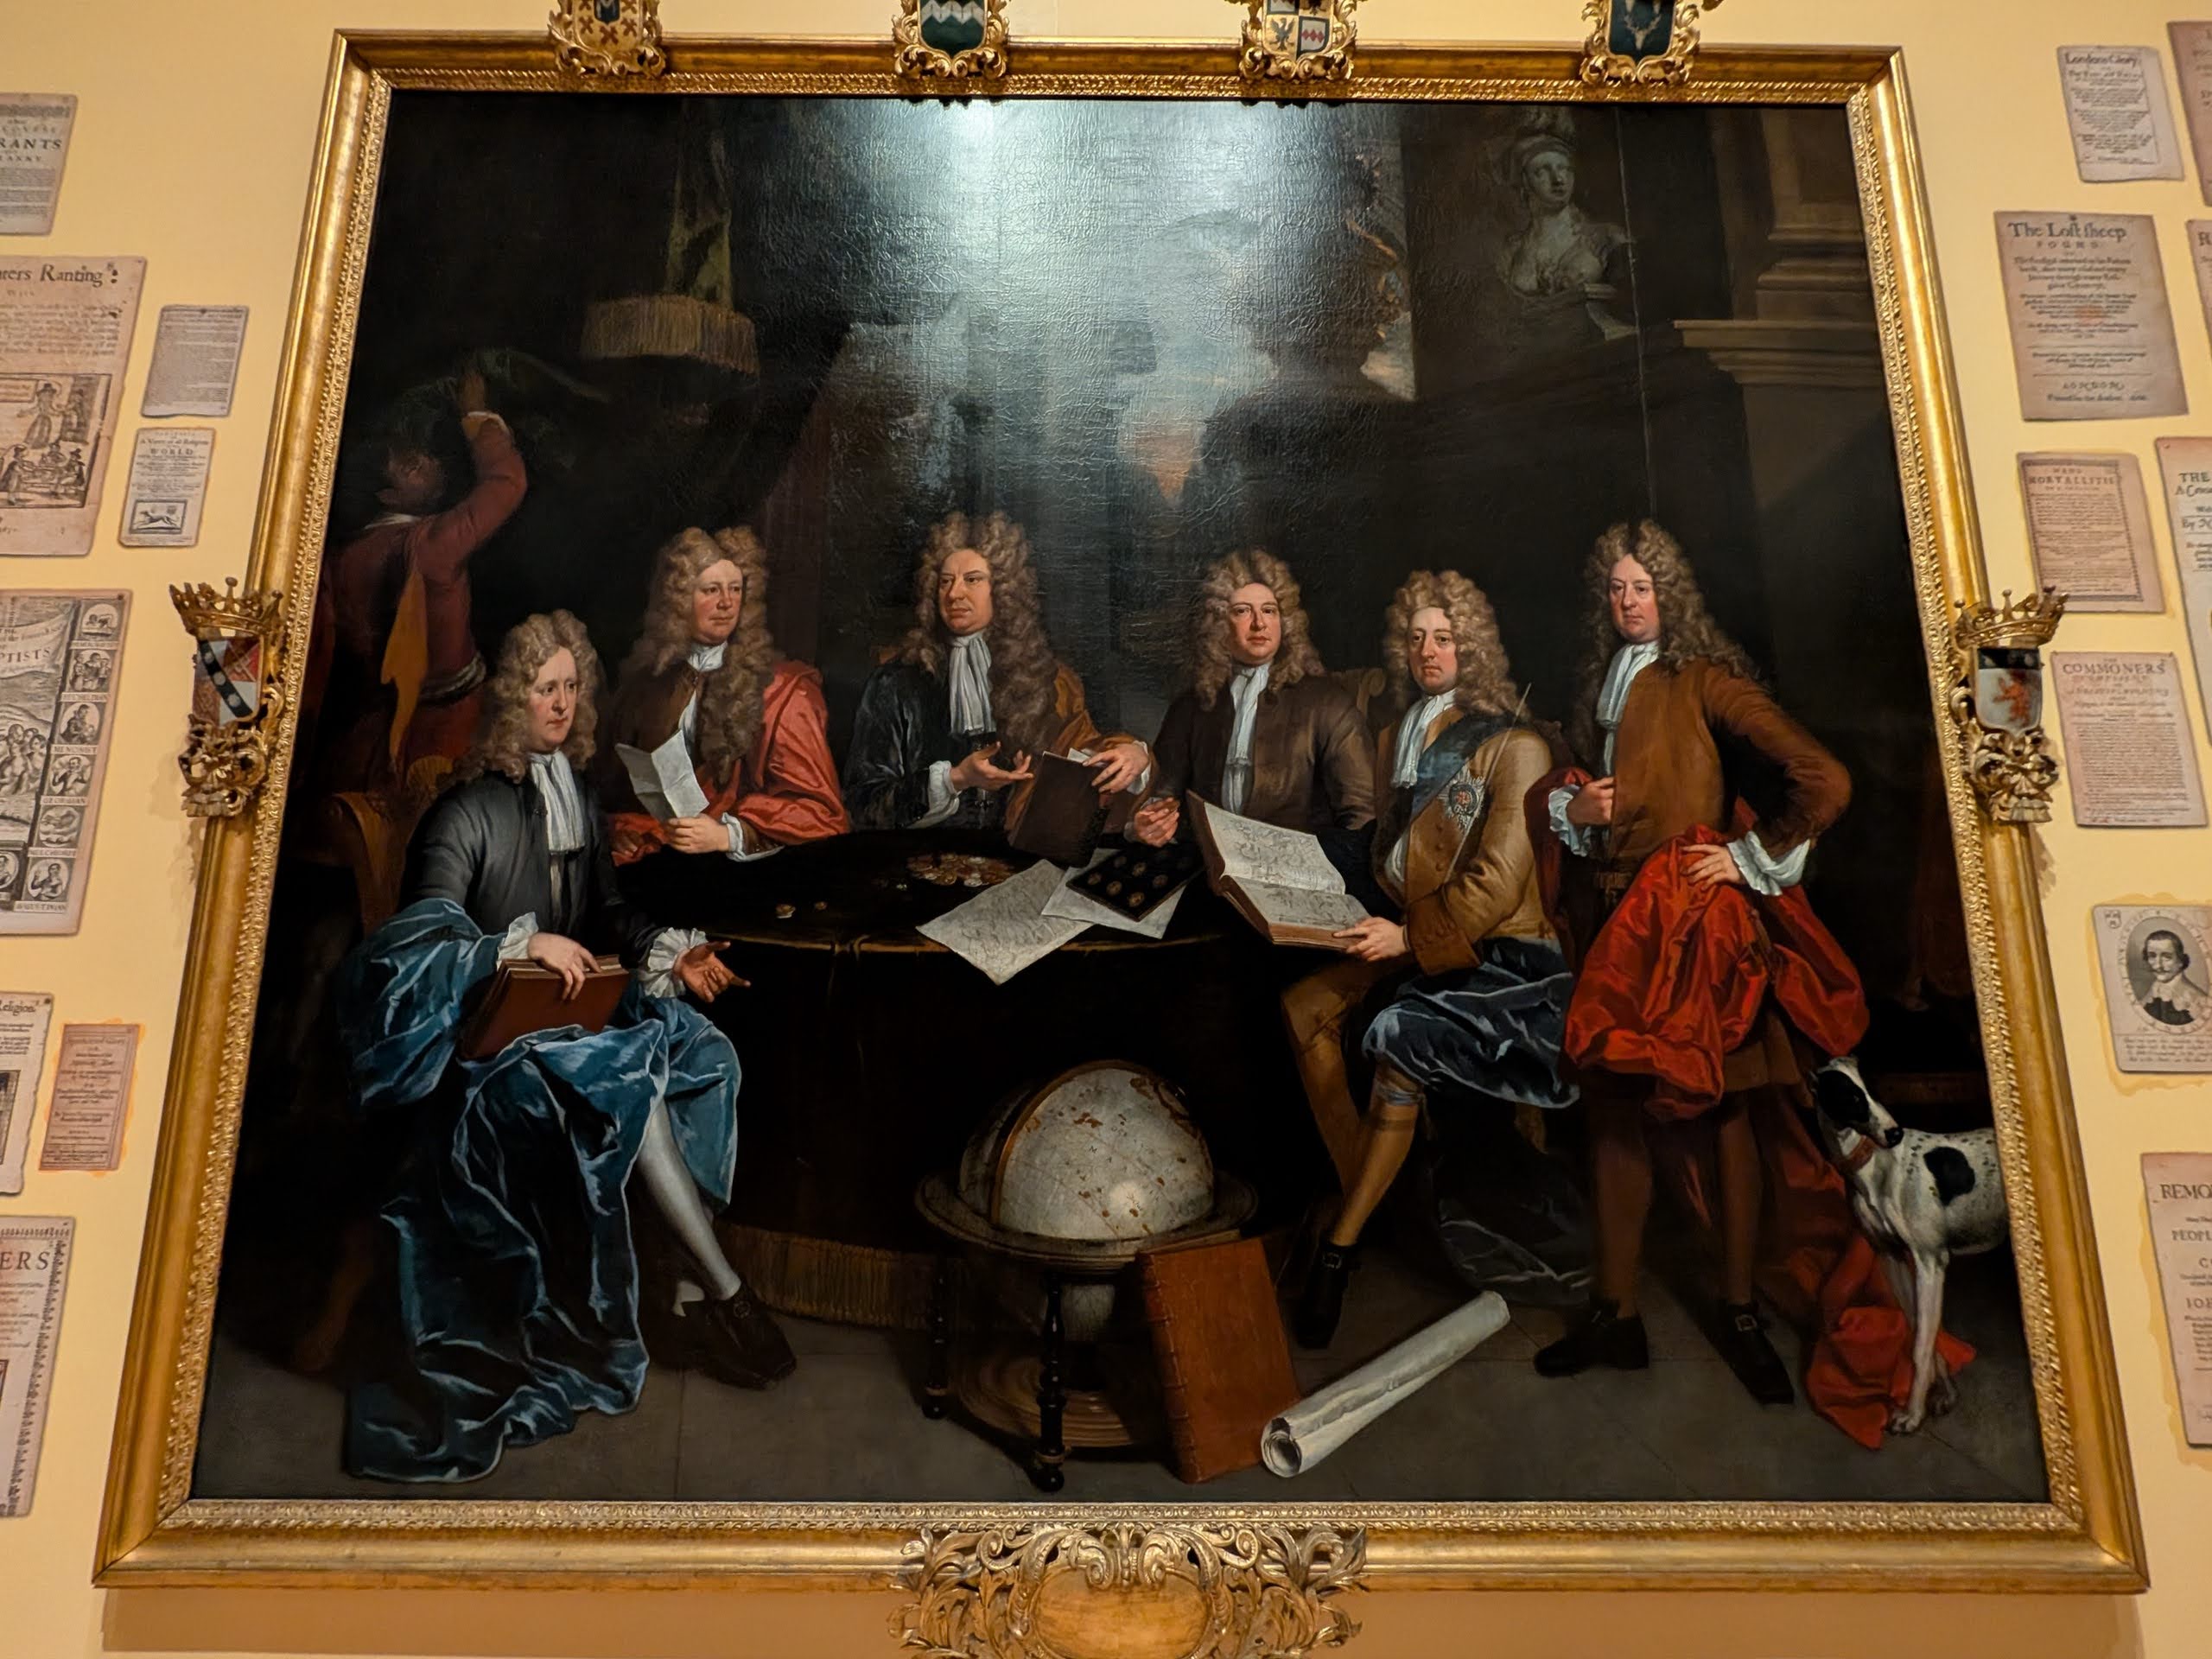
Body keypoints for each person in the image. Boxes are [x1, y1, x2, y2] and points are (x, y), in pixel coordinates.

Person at [334, 611, 792, 1483]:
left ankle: (685, 1292)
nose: (559, 703)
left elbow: (608, 914)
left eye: (571, 686)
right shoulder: (467, 806)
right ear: (513, 697)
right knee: (632, 1080)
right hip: (483, 1051)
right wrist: (517, 945)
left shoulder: (576, 793)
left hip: (571, 1021)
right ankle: (728, 1292)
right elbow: (415, 942)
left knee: (703, 1054)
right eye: (543, 688)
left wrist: (673, 953)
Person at [1530, 520, 1859, 1405]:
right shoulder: (1598, 681)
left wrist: (1748, 860)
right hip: (1612, 928)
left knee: (1725, 1113)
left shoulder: (1705, 680)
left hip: (1697, 932)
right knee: (1613, 1113)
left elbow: (1823, 779)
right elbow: (1588, 797)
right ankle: (1615, 1313)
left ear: (1669, 592)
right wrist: (1573, 812)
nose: (1627, 601)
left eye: (1642, 587)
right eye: (1615, 588)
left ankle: (1740, 1311)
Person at [1287, 571, 1578, 1346]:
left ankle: (1343, 1246)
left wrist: (1408, 940)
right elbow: (1394, 860)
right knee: (1304, 1007)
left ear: (1471, 647)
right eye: (1416, 638)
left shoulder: (1515, 744)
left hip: (1503, 958)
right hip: (1417, 933)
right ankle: (1376, 1193)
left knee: (1398, 1043)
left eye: (1444, 637)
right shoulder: (1396, 738)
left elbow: (1495, 885)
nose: (1428, 651)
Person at [843, 512, 1149, 836]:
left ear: (1002, 589)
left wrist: (1133, 754)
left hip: (1017, 856)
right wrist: (956, 779)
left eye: (972, 579)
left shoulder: (1048, 678)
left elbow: (1082, 760)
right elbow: (864, 805)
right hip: (918, 855)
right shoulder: (895, 683)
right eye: (945, 581)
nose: (954, 593)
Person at [315, 365, 528, 794]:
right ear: (387, 496)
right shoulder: (431, 543)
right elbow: (507, 483)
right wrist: (477, 416)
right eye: (412, 466)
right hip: (449, 728)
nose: (430, 463)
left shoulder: (339, 560)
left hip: (371, 734)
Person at [600, 525, 846, 865]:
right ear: (680, 600)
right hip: (659, 861)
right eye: (712, 590)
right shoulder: (646, 688)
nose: (727, 603)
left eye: (735, 589)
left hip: (743, 873)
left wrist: (728, 835)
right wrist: (620, 831)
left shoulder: (784, 692)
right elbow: (611, 795)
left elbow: (820, 814)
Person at [1131, 549, 1375, 845]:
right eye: (1242, 611)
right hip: (1208, 861)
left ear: (1285, 621)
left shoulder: (1328, 704)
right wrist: (1152, 823)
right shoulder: (1191, 706)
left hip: (1294, 866)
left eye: (1269, 610)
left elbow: (1360, 816)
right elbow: (1164, 794)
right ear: (1219, 622)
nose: (1259, 623)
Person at [2139, 930, 2208, 1028]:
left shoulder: (2198, 1001)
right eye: (2152, 956)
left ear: (2180, 961)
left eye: (2167, 957)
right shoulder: (2152, 992)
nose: (2158, 965)